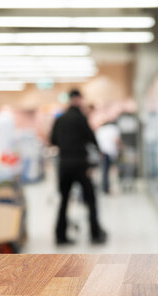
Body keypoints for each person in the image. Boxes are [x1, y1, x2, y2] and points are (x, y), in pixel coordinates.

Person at [50, 89, 107, 245]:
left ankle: (60, 235)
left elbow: (53, 140)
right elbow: (91, 139)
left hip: (64, 165)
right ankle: (95, 234)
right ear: (80, 99)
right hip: (81, 165)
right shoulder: (81, 118)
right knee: (90, 199)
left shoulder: (60, 119)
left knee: (64, 200)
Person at [96, 119, 121, 194]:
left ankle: (105, 188)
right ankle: (111, 187)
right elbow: (117, 140)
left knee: (105, 171)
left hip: (103, 152)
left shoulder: (100, 130)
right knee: (114, 171)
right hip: (111, 152)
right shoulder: (114, 129)